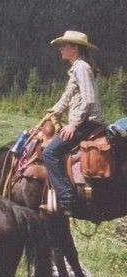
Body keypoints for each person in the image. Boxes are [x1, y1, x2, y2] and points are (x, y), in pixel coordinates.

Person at [42, 30, 102, 214]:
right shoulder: (77, 67)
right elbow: (67, 97)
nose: (61, 49)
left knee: (50, 153)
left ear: (74, 48)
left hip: (87, 123)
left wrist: (74, 124)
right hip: (83, 121)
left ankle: (67, 199)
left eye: (64, 45)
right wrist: (53, 112)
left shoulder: (82, 67)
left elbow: (89, 99)